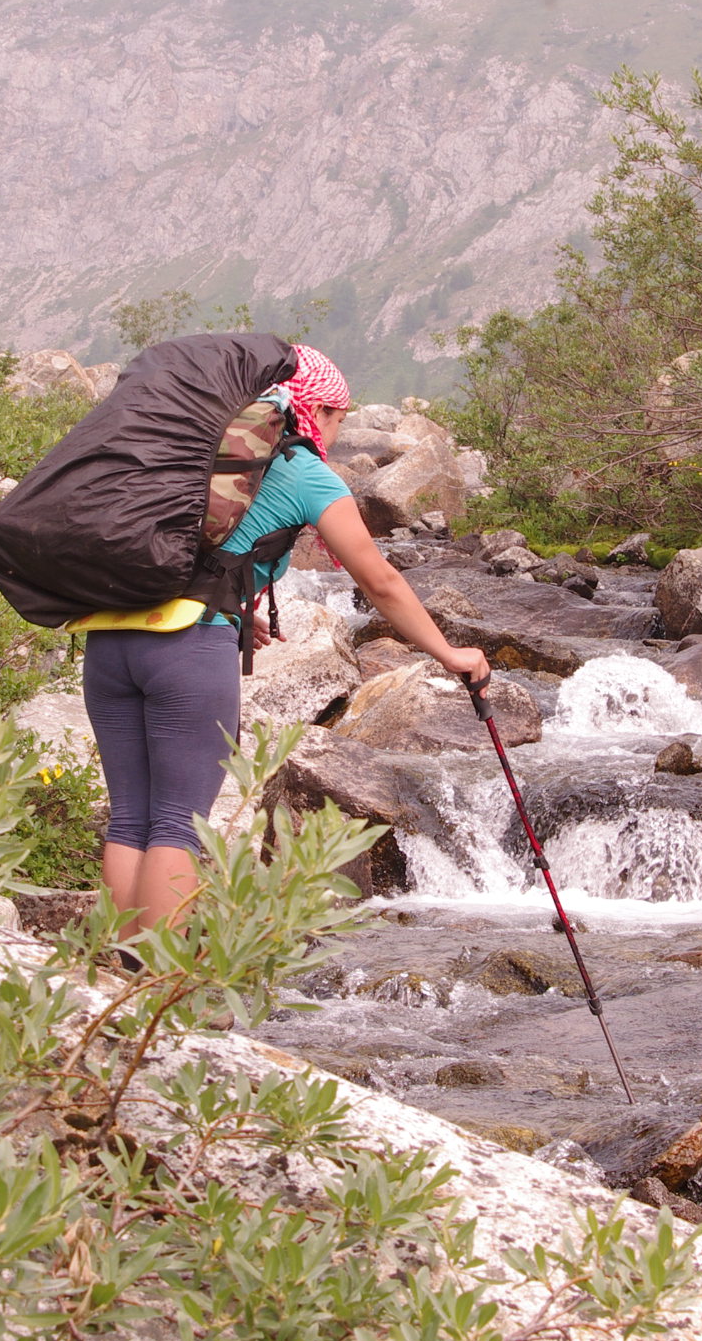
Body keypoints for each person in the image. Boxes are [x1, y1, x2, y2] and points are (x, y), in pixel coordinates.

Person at [70, 346, 490, 931]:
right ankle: (153, 992)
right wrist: (448, 651)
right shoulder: (301, 471)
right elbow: (381, 580)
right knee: (177, 822)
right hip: (188, 650)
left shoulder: (185, 451)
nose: (338, 433)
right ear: (315, 410)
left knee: (131, 819)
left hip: (109, 640)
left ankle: (114, 981)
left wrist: (238, 609)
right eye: (339, 418)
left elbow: (180, 555)